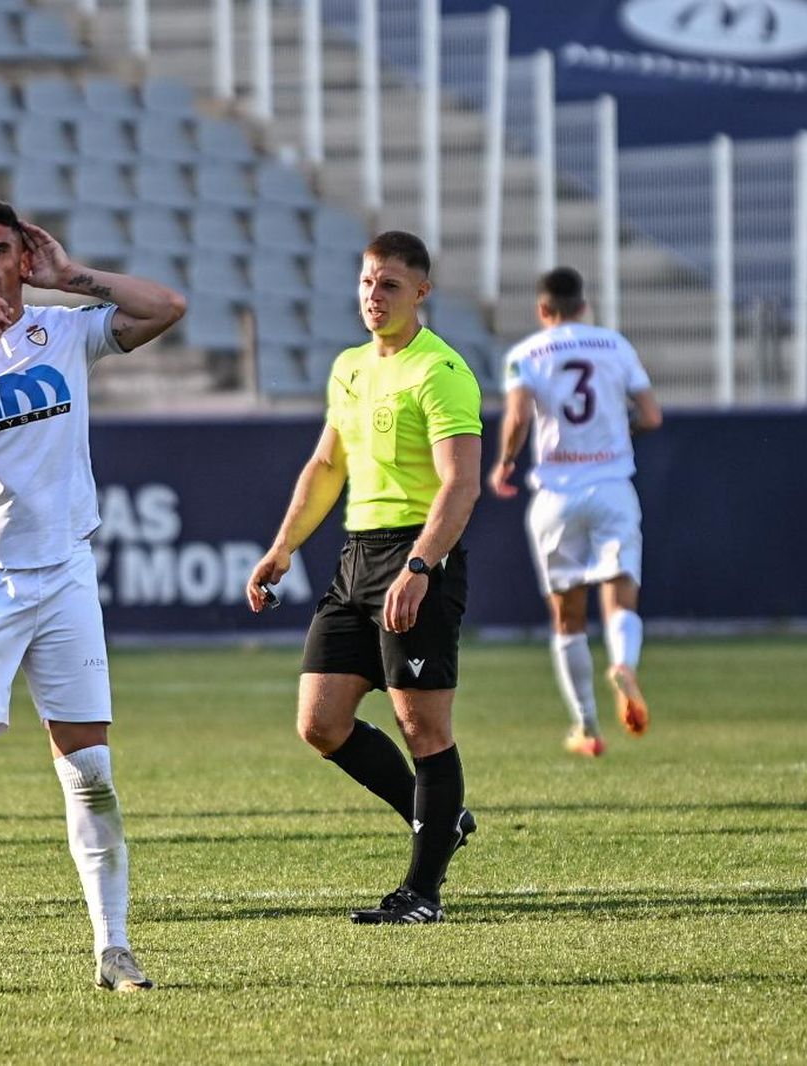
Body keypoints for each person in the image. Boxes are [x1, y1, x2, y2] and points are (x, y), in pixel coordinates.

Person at [0, 200, 187, 994]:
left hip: (62, 577)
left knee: (90, 772)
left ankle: (114, 948)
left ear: (22, 259)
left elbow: (167, 307)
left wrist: (72, 275)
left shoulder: (65, 331)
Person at [245, 230, 482, 925]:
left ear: (421, 293)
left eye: (390, 286)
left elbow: (460, 484)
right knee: (320, 723)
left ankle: (422, 894)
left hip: (416, 556)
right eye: (367, 283)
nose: (374, 297)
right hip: (356, 560)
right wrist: (283, 547)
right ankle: (441, 818)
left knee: (422, 728)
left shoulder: (440, 371)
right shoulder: (349, 367)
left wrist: (420, 566)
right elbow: (327, 465)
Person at [488, 266, 662, 757]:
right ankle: (623, 663)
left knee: (568, 617)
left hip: (557, 495)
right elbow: (651, 415)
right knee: (620, 595)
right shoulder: (615, 345)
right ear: (584, 306)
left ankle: (587, 727)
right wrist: (619, 430)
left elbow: (518, 417)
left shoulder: (526, 354)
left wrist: (504, 463)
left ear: (543, 310)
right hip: (612, 487)